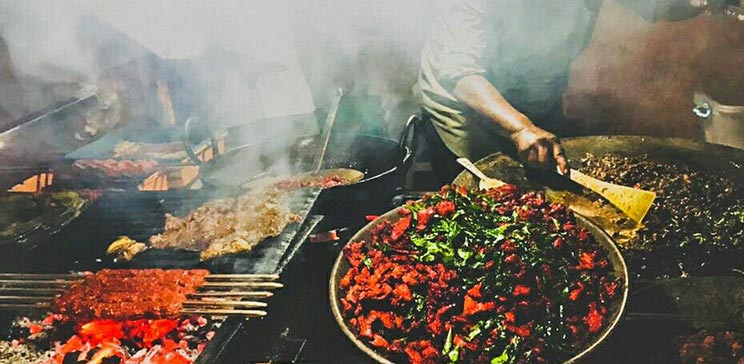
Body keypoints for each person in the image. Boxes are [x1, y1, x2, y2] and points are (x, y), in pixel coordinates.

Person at [417, 0, 708, 184]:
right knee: (491, 195)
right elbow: (462, 76)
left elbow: (652, 6)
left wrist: (697, 4)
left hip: (533, 95)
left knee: (550, 181)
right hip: (466, 106)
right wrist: (521, 129)